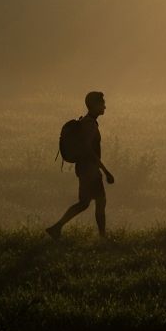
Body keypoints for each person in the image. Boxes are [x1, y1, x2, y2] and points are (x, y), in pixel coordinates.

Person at [46, 91, 115, 239]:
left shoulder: (86, 121)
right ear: (94, 105)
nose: (104, 106)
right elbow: (88, 149)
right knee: (99, 201)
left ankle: (56, 228)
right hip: (89, 170)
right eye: (102, 103)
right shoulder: (89, 125)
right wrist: (106, 171)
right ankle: (102, 238)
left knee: (85, 203)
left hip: (85, 169)